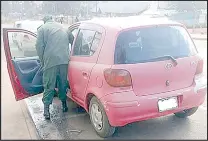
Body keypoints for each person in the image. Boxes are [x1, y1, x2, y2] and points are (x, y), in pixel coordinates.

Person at [35, 15, 70, 120]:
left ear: (44, 21)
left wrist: (42, 61)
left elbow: (38, 46)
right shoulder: (63, 27)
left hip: (50, 61)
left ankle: (46, 111)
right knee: (62, 82)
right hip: (64, 60)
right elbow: (72, 39)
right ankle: (64, 105)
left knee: (49, 84)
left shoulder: (42, 29)